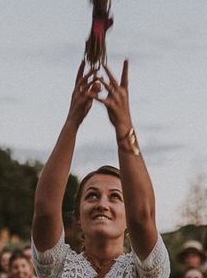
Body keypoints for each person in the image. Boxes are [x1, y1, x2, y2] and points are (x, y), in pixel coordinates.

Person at [31, 60, 170, 278]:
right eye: (92, 196)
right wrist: (72, 121)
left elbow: (143, 217)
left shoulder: (147, 269)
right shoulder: (57, 266)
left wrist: (124, 126)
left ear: (128, 217)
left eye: (115, 197)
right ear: (78, 216)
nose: (102, 204)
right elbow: (45, 209)